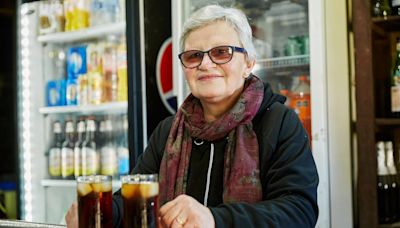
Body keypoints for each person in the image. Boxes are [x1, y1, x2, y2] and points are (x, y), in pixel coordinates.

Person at [66, 4, 318, 228]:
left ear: (249, 63)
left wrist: (214, 219)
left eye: (221, 52)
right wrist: (104, 211)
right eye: (194, 56)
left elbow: (299, 211)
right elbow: (135, 199)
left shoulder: (278, 122)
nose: (205, 64)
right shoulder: (168, 130)